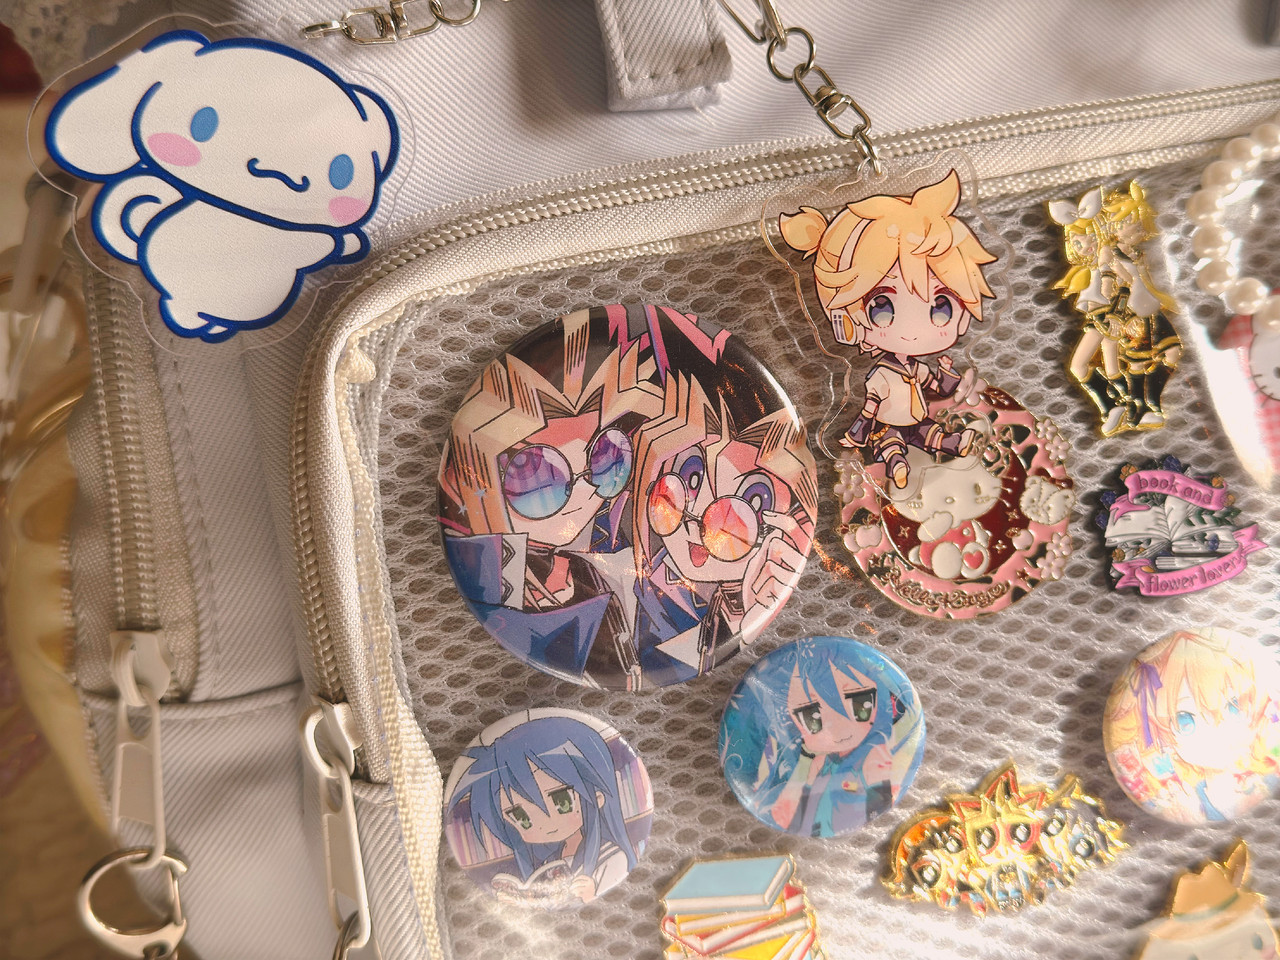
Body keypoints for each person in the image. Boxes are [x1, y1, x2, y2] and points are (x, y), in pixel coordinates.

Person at [778, 170, 997, 488]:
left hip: (919, 420)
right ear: (846, 319)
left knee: (931, 435)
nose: (912, 332)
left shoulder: (916, 368)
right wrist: (856, 435)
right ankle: (897, 465)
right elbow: (869, 409)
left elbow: (939, 387)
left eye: (941, 307)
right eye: (881, 308)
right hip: (888, 426)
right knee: (890, 445)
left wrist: (947, 373)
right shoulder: (880, 374)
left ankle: (954, 444)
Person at [446, 715, 640, 905]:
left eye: (562, 801)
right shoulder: (550, 864)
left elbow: (603, 887)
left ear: (597, 798)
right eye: (521, 817)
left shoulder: (612, 857)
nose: (543, 824)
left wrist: (591, 893)